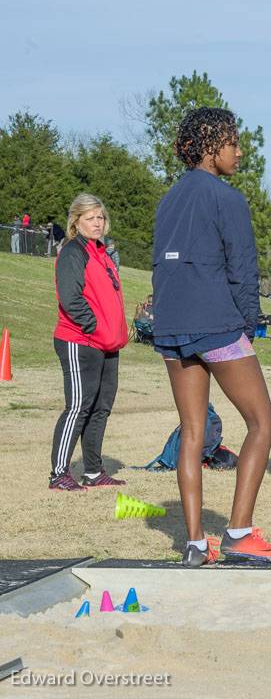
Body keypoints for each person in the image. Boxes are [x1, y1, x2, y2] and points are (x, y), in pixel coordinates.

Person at [152, 107, 271, 566]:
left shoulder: (169, 198)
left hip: (171, 324)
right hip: (216, 325)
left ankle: (195, 544)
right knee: (263, 423)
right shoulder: (227, 198)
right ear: (210, 147)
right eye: (233, 142)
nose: (240, 150)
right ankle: (238, 535)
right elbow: (243, 269)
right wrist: (250, 323)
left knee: (192, 431)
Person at [48, 194, 129, 491]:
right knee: (79, 405)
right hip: (79, 340)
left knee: (101, 406)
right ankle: (59, 474)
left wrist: (115, 329)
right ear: (76, 221)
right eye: (90, 217)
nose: (97, 223)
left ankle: (93, 471)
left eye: (100, 217)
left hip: (107, 343)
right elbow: (71, 298)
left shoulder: (102, 252)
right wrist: (94, 326)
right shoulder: (73, 251)